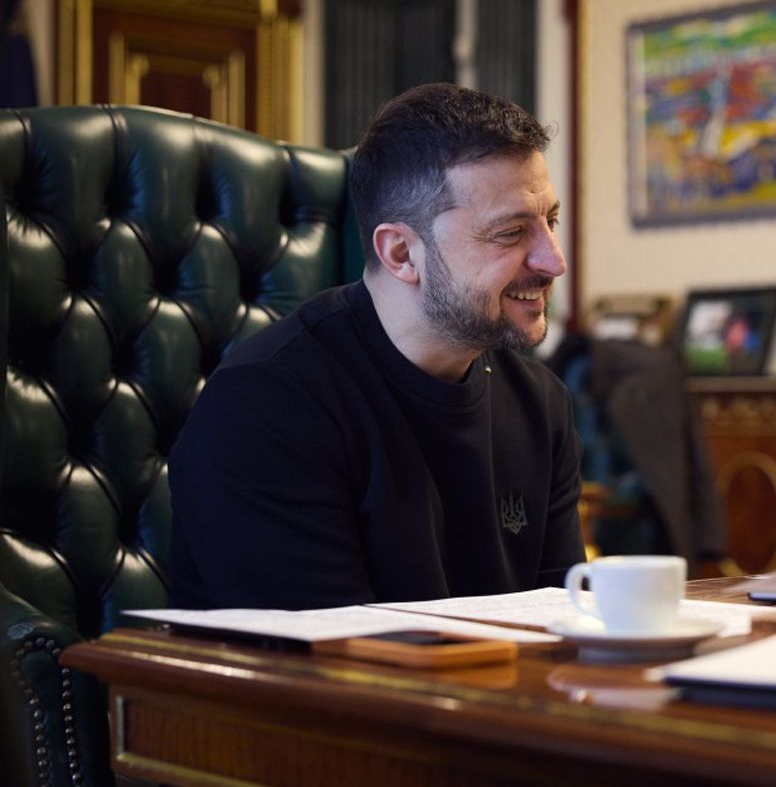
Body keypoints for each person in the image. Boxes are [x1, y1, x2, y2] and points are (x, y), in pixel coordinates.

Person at [168, 83, 585, 609]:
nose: (554, 260)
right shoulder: (264, 406)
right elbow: (326, 654)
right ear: (401, 252)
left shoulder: (539, 403)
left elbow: (563, 624)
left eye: (550, 221)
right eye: (510, 233)